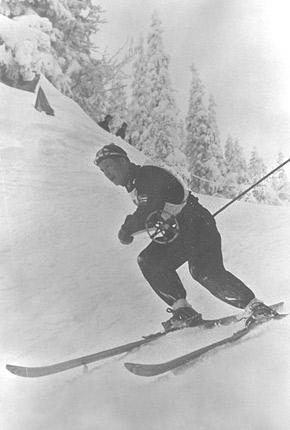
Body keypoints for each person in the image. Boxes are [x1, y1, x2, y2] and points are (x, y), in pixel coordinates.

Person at [94, 143, 278, 331]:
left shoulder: (146, 176)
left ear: (123, 161)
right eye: (102, 171)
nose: (107, 173)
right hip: (182, 229)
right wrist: (132, 228)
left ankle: (256, 307)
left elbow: (150, 207)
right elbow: (152, 212)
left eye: (108, 166)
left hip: (195, 223)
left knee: (205, 271)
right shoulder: (135, 183)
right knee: (152, 261)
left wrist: (127, 229)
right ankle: (184, 312)